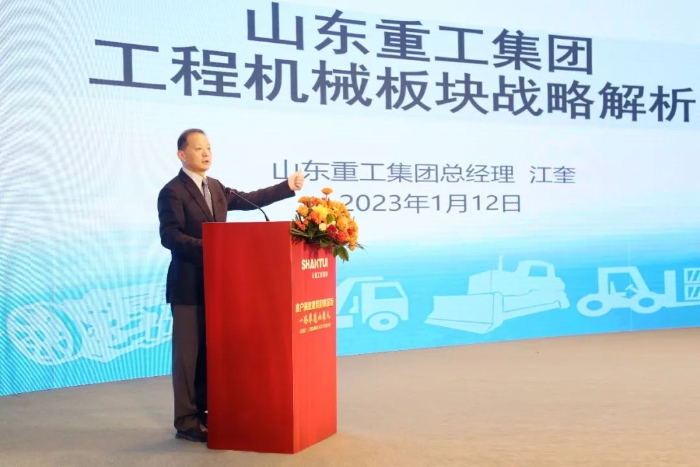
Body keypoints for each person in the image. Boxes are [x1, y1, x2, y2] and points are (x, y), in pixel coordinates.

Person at [157, 128, 305, 443]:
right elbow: (169, 236)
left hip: (218, 284)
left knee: (209, 354)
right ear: (182, 154)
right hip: (188, 286)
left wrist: (286, 187)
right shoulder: (172, 191)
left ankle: (204, 412)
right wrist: (211, 246)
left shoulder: (215, 187)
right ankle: (185, 420)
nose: (206, 153)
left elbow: (249, 200)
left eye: (209, 148)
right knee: (188, 357)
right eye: (198, 148)